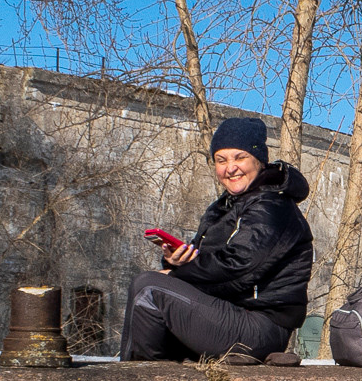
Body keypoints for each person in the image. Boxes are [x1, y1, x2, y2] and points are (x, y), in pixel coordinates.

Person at [120, 116, 312, 364]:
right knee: (150, 287)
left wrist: (179, 275)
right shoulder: (225, 208)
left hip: (259, 326)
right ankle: (154, 380)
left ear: (259, 161)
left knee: (148, 287)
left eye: (239, 157)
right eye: (221, 160)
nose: (230, 168)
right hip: (225, 313)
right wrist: (176, 260)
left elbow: (239, 268)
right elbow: (203, 261)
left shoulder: (272, 206)